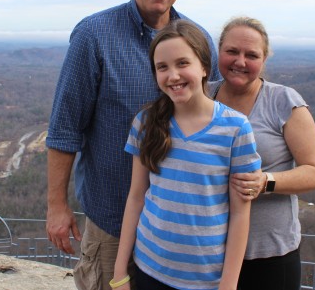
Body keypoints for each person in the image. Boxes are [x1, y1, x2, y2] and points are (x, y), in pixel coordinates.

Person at [45, 0, 220, 290]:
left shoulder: (198, 40)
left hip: (178, 232)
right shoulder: (95, 35)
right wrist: (56, 206)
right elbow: (65, 128)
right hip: (112, 219)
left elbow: (214, 117)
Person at [112, 20, 261, 290]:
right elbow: (136, 197)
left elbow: (241, 215)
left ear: (204, 67)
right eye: (162, 67)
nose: (173, 76)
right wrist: (120, 269)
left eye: (183, 63)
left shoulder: (236, 129)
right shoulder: (145, 123)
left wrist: (228, 285)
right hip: (149, 269)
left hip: (206, 280)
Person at [207, 17, 315, 290]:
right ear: (219, 51)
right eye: (232, 51)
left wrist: (266, 182)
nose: (240, 61)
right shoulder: (204, 97)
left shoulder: (284, 101)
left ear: (264, 60)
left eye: (251, 55)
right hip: (209, 252)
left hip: (269, 255)